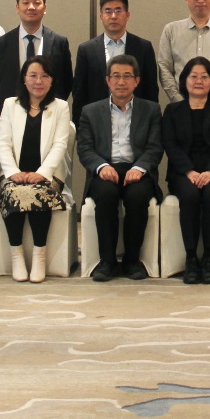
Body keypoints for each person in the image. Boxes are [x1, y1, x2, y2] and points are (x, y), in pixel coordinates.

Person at [77, 54, 164, 281]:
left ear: (137, 81)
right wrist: (101, 166)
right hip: (106, 168)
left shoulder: (151, 110)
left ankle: (132, 261)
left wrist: (140, 168)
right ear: (107, 80)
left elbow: (155, 147)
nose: (121, 82)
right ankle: (107, 261)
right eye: (116, 76)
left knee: (137, 196)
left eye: (127, 76)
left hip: (137, 169)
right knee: (106, 195)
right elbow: (85, 148)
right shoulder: (90, 111)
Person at [0, 55, 73, 283]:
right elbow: (3, 143)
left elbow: (60, 145)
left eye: (44, 76)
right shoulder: (10, 105)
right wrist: (12, 172)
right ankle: (17, 255)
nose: (38, 81)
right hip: (14, 172)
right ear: (24, 78)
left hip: (48, 174)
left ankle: (39, 256)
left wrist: (42, 173)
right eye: (33, 75)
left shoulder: (60, 107)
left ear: (52, 80)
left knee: (39, 192)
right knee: (14, 192)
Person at [161, 57, 210, 285]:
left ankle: (208, 258)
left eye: (204, 77)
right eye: (193, 76)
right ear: (185, 80)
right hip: (183, 173)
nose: (199, 81)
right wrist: (189, 171)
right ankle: (191, 258)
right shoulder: (173, 110)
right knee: (190, 195)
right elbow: (170, 145)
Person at [72, 0, 158, 124]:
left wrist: (151, 123)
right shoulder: (86, 50)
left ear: (127, 15)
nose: (113, 16)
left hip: (135, 121)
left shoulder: (143, 47)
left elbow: (151, 90)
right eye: (108, 11)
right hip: (97, 122)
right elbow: (79, 93)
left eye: (118, 11)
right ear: (101, 16)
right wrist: (80, 127)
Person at [0, 0, 73, 104]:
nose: (31, 7)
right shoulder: (2, 44)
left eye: (36, 3)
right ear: (17, 8)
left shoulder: (59, 43)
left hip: (48, 109)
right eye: (25, 3)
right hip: (13, 110)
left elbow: (66, 83)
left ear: (44, 8)